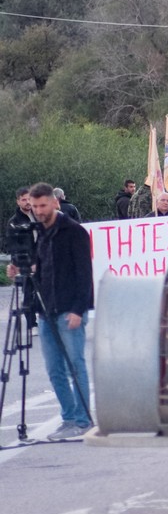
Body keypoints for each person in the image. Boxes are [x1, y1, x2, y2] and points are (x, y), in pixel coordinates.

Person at [8, 183, 93, 440]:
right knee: (54, 369)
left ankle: (83, 418)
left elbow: (84, 274)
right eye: (34, 206)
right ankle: (68, 417)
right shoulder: (40, 232)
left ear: (55, 203)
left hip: (69, 309)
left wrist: (79, 309)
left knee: (75, 365)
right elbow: (40, 268)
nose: (37, 211)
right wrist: (21, 271)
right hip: (46, 310)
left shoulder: (73, 231)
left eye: (42, 205)